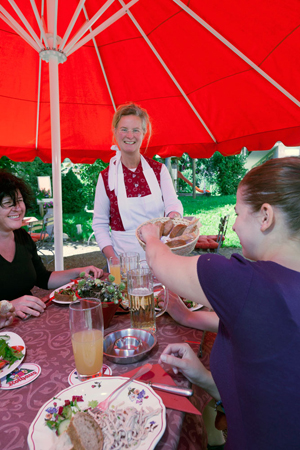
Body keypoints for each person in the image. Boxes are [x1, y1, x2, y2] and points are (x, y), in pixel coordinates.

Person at [140, 157, 300, 449]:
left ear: (266, 216)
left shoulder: (244, 281)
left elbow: (159, 262)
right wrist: (203, 375)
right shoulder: (281, 289)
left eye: (238, 213)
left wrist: (151, 236)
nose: (236, 226)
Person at [0, 170, 103, 320]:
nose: (17, 208)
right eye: (8, 203)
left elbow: (42, 278)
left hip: (28, 322)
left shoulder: (22, 238)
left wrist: (78, 272)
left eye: (19, 201)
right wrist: (9, 306)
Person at [92, 103, 183, 261]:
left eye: (135, 130)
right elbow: (100, 224)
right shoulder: (106, 177)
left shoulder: (159, 170)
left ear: (143, 133)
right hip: (124, 263)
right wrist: (112, 259)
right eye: (124, 129)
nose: (130, 135)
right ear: (114, 131)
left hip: (161, 259)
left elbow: (172, 204)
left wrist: (174, 217)